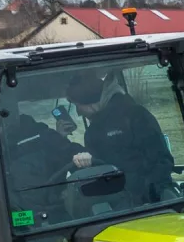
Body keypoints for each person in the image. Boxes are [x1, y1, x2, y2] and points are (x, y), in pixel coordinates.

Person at [65, 72, 175, 204]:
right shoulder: (92, 132)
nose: (78, 112)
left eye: (78, 106)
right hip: (117, 203)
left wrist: (144, 196)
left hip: (152, 200)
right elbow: (97, 172)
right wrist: (84, 161)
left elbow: (162, 161)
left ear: (91, 103)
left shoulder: (136, 116)